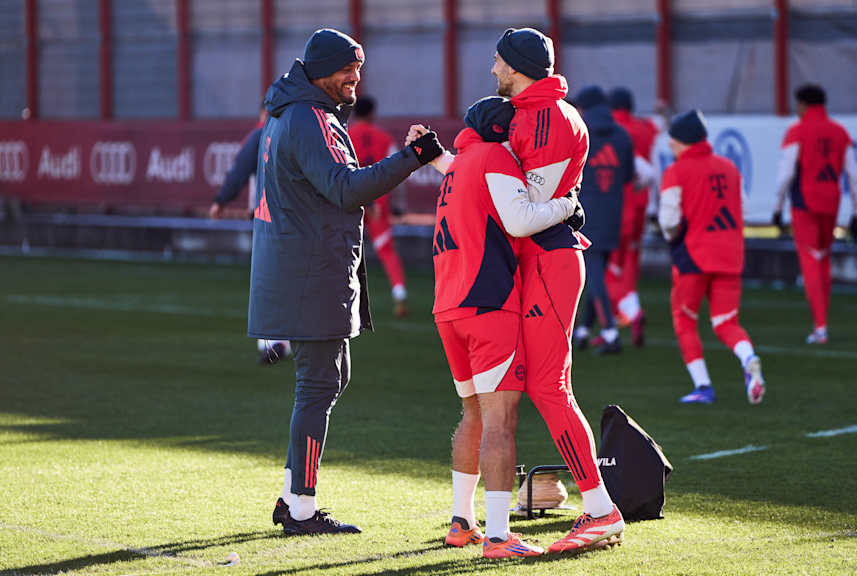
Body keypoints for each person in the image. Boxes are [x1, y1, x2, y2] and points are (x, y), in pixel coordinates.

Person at [408, 27, 625, 554]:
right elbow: (501, 185)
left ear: (516, 66)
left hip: (545, 258)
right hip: (527, 265)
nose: (492, 69)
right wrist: (443, 160)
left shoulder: (546, 116)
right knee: (508, 400)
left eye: (498, 61)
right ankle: (481, 520)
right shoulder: (531, 114)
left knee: (547, 388)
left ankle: (600, 510)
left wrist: (565, 207)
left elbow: (521, 206)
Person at [249, 28, 443, 535]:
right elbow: (345, 188)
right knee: (318, 384)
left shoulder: (292, 112)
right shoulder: (308, 117)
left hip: (304, 267)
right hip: (310, 271)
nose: (355, 77)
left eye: (359, 68)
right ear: (320, 72)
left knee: (329, 380)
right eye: (346, 69)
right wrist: (414, 158)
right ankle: (301, 508)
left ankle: (292, 495)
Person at [435, 96, 578, 558]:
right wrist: (566, 205)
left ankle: (462, 522)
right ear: (503, 133)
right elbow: (519, 221)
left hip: (448, 305)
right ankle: (498, 537)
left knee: (473, 415)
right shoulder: (495, 156)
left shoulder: (459, 165)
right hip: (489, 305)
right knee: (500, 421)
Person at [659, 110, 766, 405]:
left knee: (685, 320)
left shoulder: (676, 172)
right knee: (726, 323)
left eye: (673, 140)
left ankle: (703, 386)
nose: (670, 144)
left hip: (692, 255)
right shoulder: (729, 167)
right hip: (731, 255)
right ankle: (749, 358)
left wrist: (673, 237)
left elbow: (668, 221)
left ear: (683, 141)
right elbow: (743, 208)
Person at [772, 84, 857, 345]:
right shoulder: (840, 132)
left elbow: (786, 174)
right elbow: (854, 175)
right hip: (831, 202)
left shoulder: (797, 131)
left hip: (804, 203)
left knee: (810, 260)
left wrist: (777, 208)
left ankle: (820, 327)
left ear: (803, 104)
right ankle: (821, 323)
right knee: (823, 259)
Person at [208, 109, 291, 364]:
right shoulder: (301, 132)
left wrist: (221, 201)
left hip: (269, 221)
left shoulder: (260, 135)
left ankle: (272, 342)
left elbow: (239, 171)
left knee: (267, 281)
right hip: (302, 220)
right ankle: (291, 339)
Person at [570, 85, 634, 355]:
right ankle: (584, 330)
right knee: (597, 272)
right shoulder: (622, 135)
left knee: (594, 274)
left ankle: (610, 332)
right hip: (613, 210)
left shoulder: (580, 132)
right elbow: (628, 175)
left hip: (586, 212)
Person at [606, 86, 659, 347]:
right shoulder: (645, 128)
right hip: (640, 203)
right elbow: (658, 126)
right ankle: (628, 304)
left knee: (608, 265)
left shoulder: (610, 131)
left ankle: (628, 310)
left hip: (615, 204)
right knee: (631, 259)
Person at [348, 96, 409, 318]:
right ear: (372, 113)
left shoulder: (345, 135)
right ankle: (400, 295)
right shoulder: (384, 137)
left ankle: (341, 299)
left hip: (351, 199)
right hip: (378, 202)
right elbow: (398, 170)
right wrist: (398, 204)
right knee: (386, 250)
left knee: (343, 251)